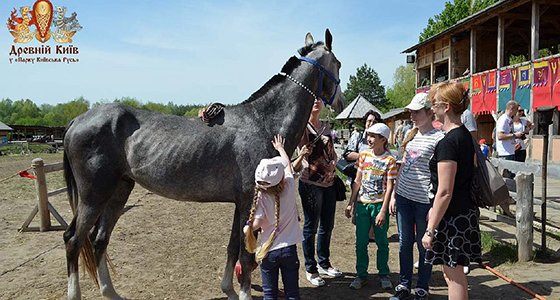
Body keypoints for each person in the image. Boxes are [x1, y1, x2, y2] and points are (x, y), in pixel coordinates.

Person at [422, 82, 482, 300]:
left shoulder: (449, 142)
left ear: (446, 107)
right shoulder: (465, 136)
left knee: (453, 275)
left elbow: (445, 191)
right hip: (462, 213)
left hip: (453, 217)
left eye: (434, 104)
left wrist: (430, 229)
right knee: (454, 275)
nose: (431, 108)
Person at [389, 93, 444, 300]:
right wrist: (394, 194)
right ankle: (403, 284)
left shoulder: (439, 138)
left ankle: (422, 286)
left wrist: (434, 204)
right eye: (411, 111)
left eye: (416, 111)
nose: (412, 115)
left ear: (429, 112)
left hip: (424, 200)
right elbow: (403, 167)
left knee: (424, 245)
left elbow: (440, 176)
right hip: (404, 197)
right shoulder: (411, 135)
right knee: (404, 243)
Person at [243, 135, 303, 300]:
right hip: (289, 250)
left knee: (269, 294)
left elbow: (257, 223)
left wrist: (248, 227)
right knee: (292, 293)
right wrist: (280, 148)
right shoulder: (289, 186)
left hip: (268, 252)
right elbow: (288, 165)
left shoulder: (261, 198)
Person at [294, 99, 342, 287]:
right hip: (310, 181)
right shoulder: (302, 126)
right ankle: (310, 268)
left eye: (319, 99)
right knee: (311, 226)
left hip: (329, 182)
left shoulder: (326, 126)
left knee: (327, 225)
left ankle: (324, 263)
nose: (315, 101)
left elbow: (333, 152)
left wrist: (334, 162)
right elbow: (300, 152)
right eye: (312, 98)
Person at [344, 123, 397, 290]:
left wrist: (383, 210)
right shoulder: (364, 155)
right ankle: (361, 275)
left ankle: (383, 274)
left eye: (373, 136)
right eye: (368, 135)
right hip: (362, 205)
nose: (369, 139)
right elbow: (357, 181)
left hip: (379, 206)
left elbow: (390, 186)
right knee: (360, 242)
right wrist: (351, 203)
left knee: (382, 242)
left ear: (383, 139)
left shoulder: (390, 160)